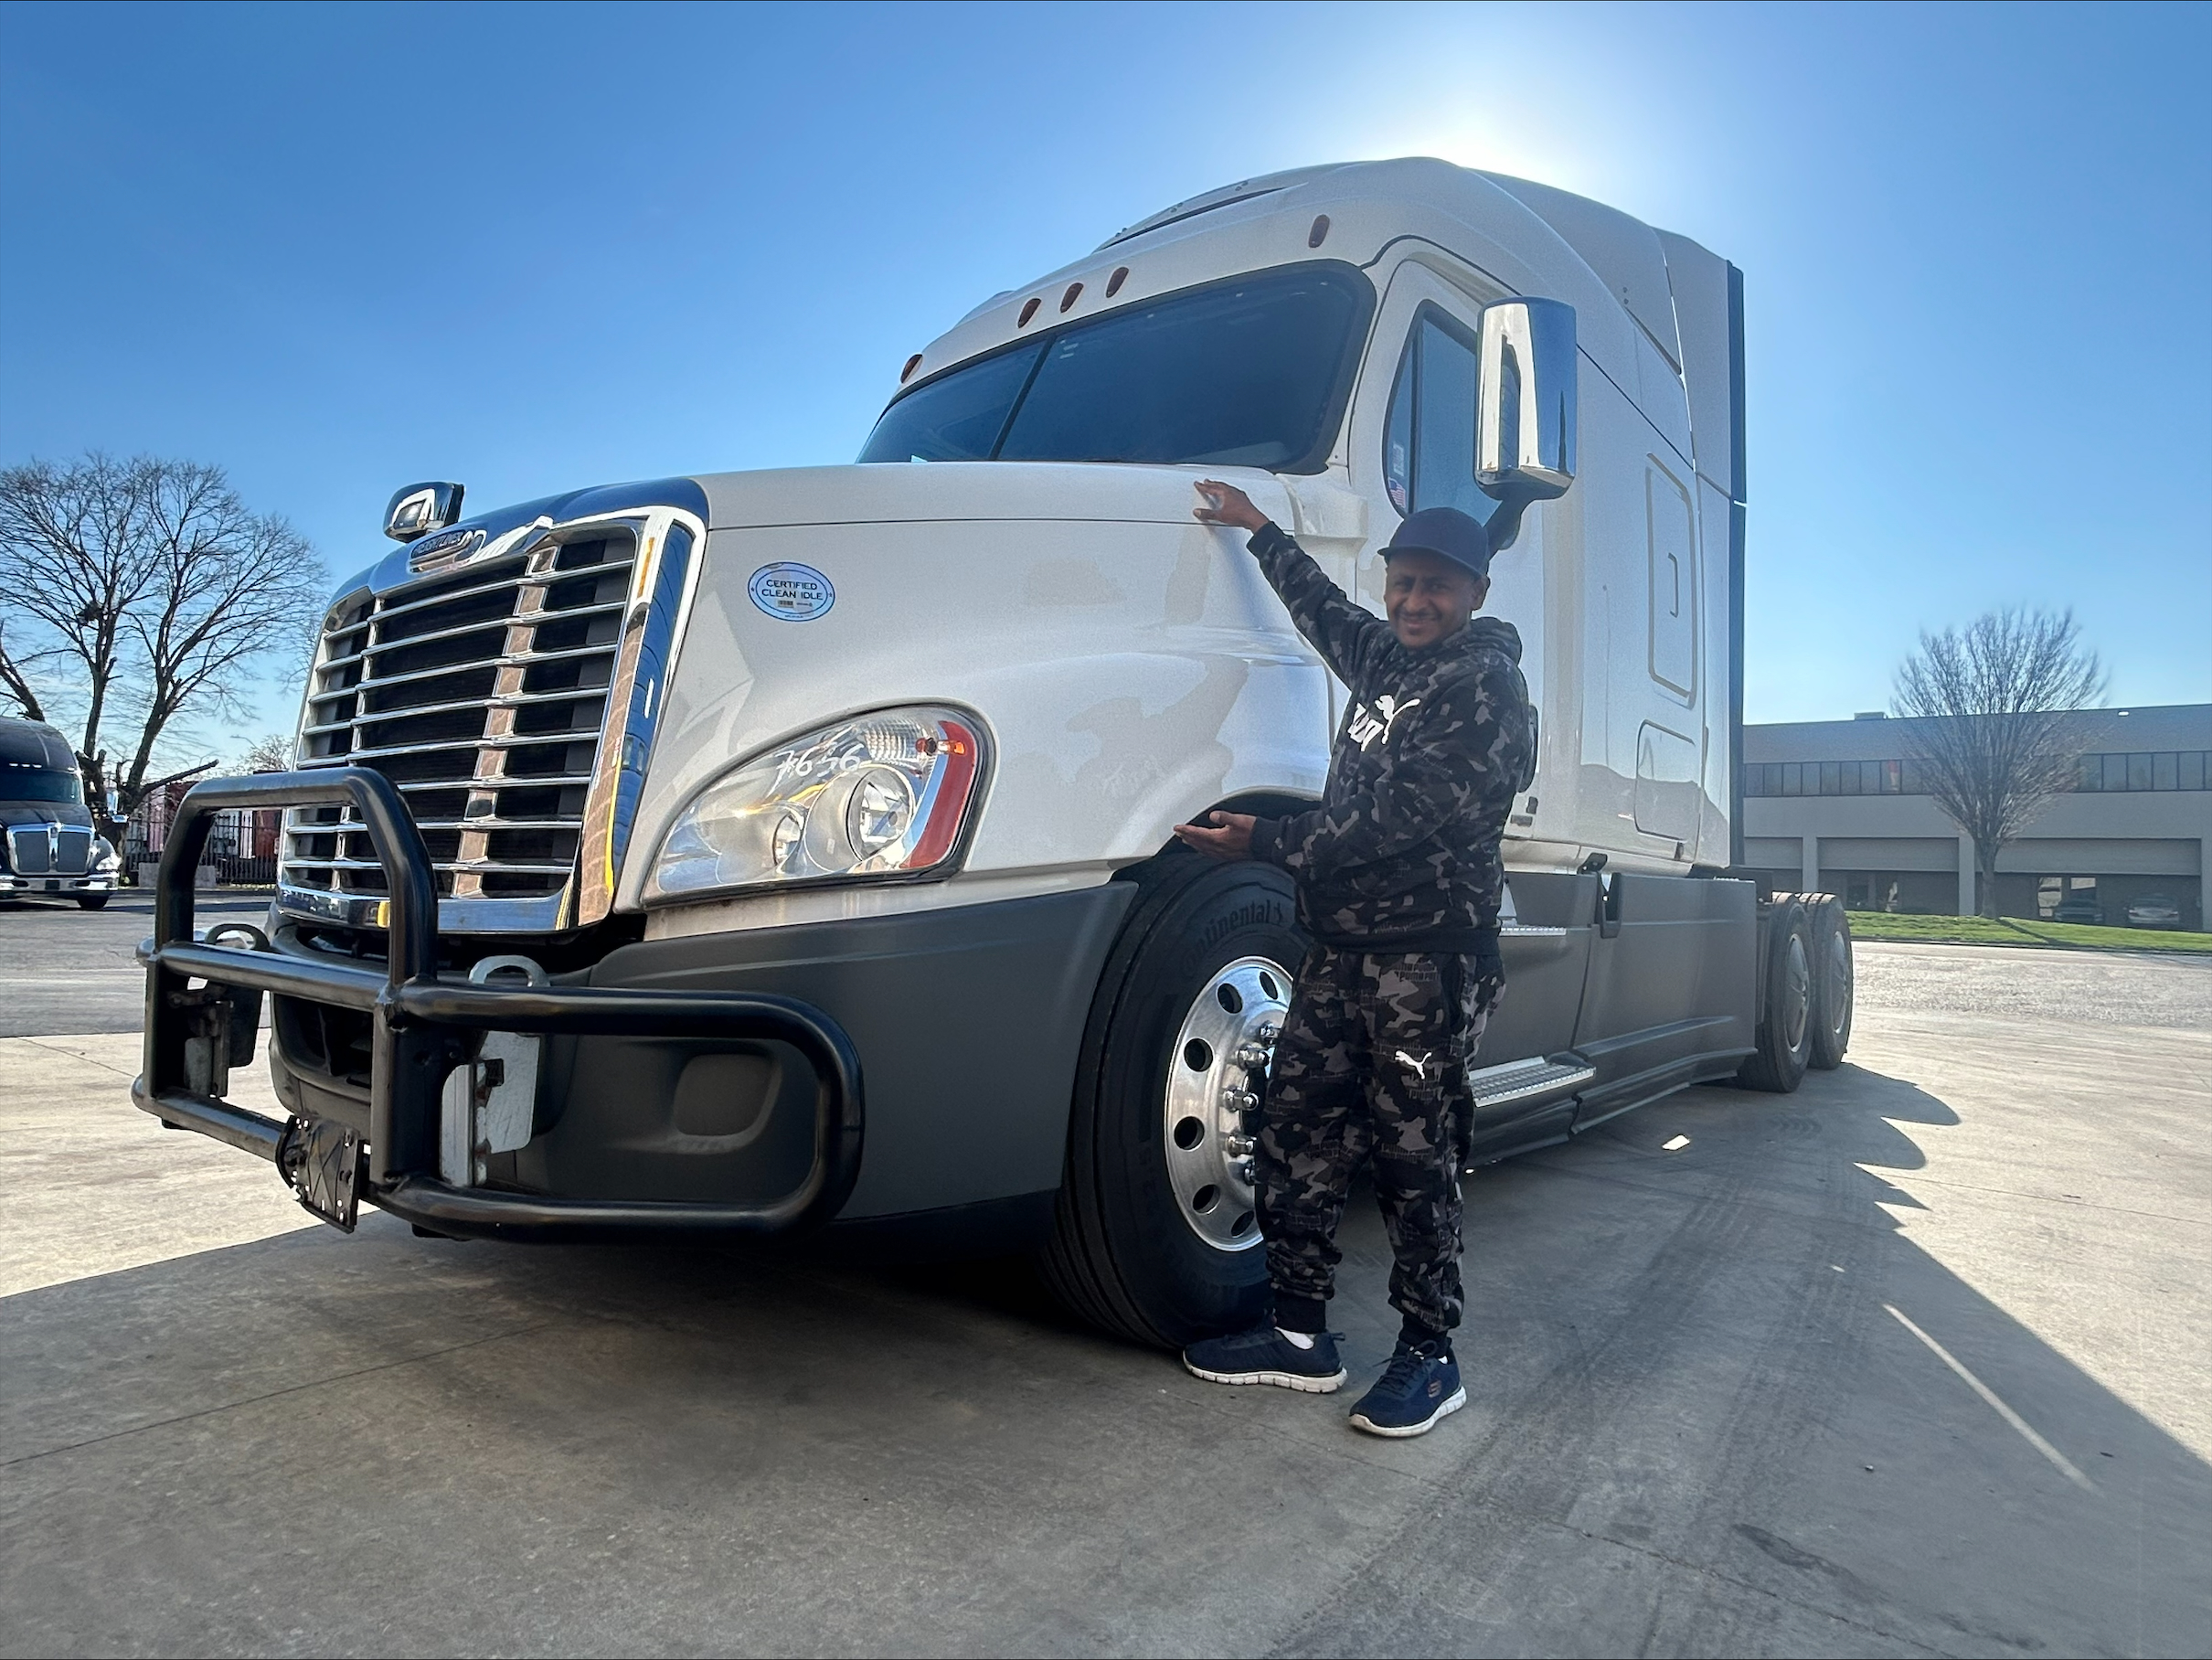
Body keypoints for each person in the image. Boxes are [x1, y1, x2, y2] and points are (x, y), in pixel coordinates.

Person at [1174, 479, 1536, 1438]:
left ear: (1476, 592)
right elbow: (1321, 608)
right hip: (1341, 952)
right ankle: (1299, 1333)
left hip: (1427, 962)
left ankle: (1429, 1353)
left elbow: (1400, 818)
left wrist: (1265, 840)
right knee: (1296, 1128)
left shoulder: (1484, 688)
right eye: (1402, 582)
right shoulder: (1385, 658)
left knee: (1414, 1154)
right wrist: (1258, 528)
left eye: (1436, 587)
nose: (1414, 601)